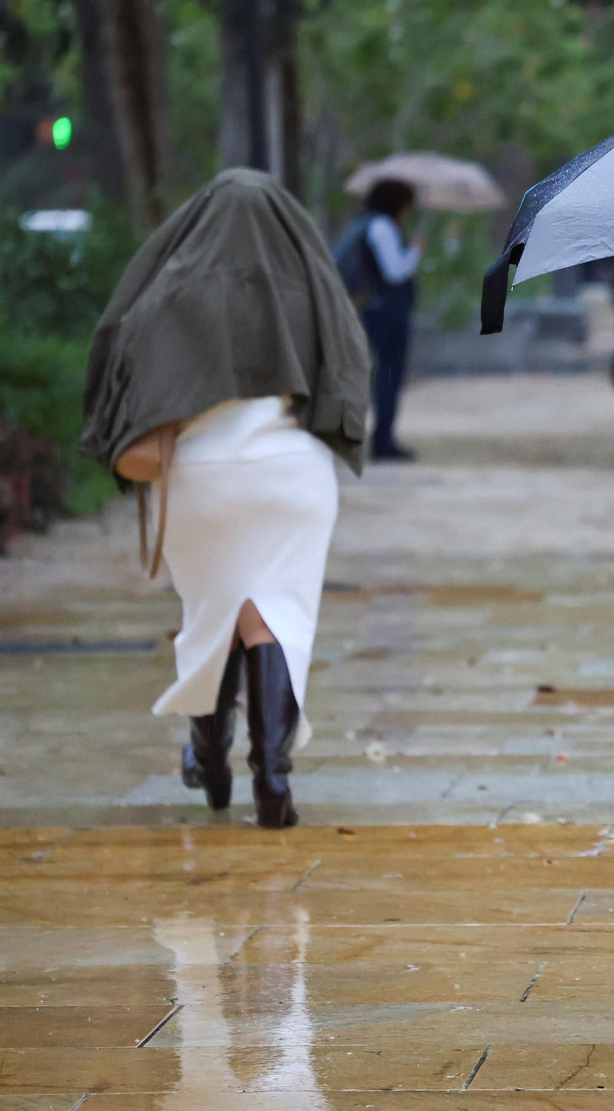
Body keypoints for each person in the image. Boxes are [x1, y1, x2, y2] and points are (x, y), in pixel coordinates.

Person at [81, 168, 371, 829]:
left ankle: (209, 764)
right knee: (273, 620)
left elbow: (117, 369)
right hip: (291, 475)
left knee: (214, 620)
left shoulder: (168, 290)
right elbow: (351, 368)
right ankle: (273, 780)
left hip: (199, 477)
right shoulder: (310, 284)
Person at [337, 179, 424, 461]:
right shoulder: (383, 227)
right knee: (388, 375)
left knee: (383, 374)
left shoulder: (368, 224)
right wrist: (416, 249)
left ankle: (382, 437)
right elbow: (396, 271)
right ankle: (383, 440)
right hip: (387, 312)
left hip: (376, 309)